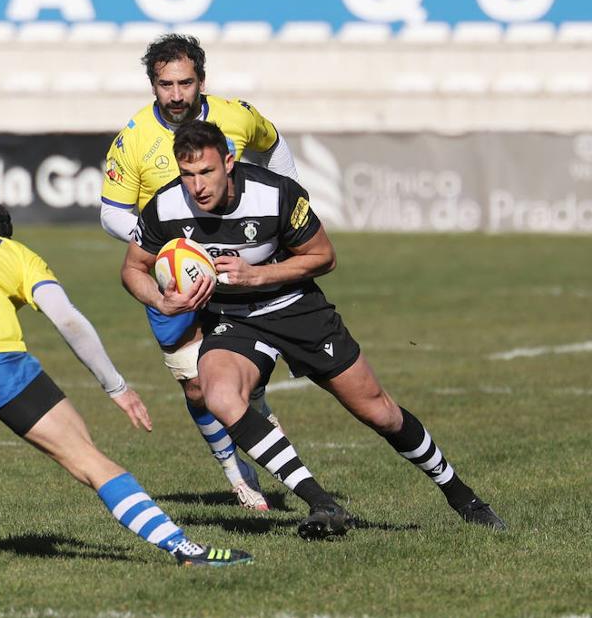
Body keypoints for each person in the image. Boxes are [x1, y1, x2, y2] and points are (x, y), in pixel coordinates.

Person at [121, 120, 506, 539]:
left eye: (206, 172)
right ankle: (322, 503)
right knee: (219, 396)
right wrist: (161, 301)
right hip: (232, 320)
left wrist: (257, 275)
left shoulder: (275, 194)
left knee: (378, 411)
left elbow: (324, 257)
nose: (197, 186)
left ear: (228, 162)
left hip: (295, 308)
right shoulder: (166, 206)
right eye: (188, 174)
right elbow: (133, 269)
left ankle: (462, 495)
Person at [0, 197, 253, 567]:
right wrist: (116, 387)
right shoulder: (12, 251)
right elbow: (68, 319)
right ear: (5, 233)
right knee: (86, 458)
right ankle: (182, 547)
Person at [99, 33, 298, 512]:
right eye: (165, 84)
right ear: (152, 85)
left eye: (185, 83)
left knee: (242, 367)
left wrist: (289, 204)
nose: (175, 94)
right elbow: (111, 212)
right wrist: (168, 247)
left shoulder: (237, 116)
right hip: (173, 275)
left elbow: (274, 146)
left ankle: (256, 406)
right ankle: (236, 472)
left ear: (201, 81)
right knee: (194, 385)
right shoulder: (133, 139)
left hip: (235, 266)